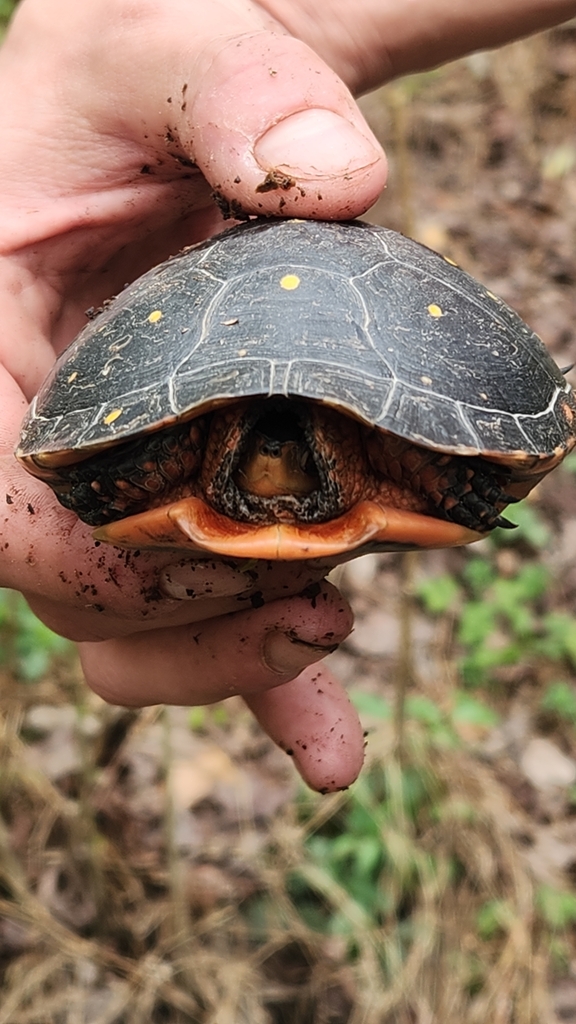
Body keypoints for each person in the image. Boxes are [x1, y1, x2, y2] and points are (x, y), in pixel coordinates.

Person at [1, 0, 575, 791]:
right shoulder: (184, 456)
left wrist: (459, 468)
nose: (275, 456)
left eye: (288, 445)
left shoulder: (387, 457)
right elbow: (76, 469)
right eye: (262, 444)